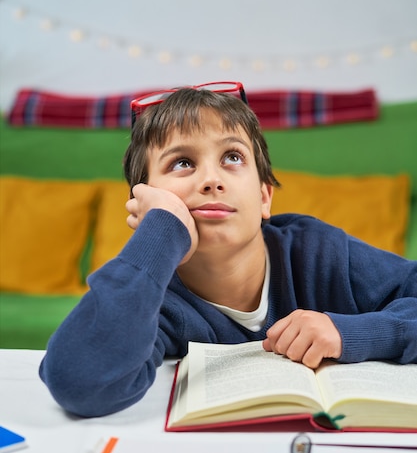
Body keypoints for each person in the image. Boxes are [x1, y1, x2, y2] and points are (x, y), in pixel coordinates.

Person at [39, 82, 417, 417]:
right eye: (182, 162)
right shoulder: (147, 292)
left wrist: (352, 332)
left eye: (232, 158)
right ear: (145, 205)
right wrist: (162, 232)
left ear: (265, 197)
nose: (211, 180)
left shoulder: (319, 252)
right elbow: (78, 383)